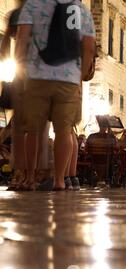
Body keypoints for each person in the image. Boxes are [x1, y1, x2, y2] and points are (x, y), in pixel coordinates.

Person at [15, 0, 96, 191]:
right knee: (64, 130)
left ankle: (29, 178)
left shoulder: (33, 4)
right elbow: (89, 48)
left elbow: (21, 39)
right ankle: (60, 180)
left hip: (38, 76)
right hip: (68, 78)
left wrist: (21, 72)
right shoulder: (82, 10)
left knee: (33, 131)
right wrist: (80, 77)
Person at [0, 2, 26, 191]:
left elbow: (4, 45)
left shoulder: (17, 14)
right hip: (34, 74)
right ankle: (27, 175)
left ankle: (22, 175)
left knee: (19, 129)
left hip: (22, 74)